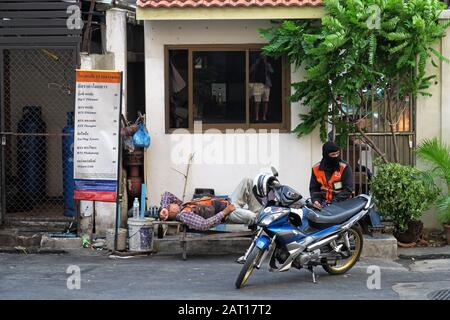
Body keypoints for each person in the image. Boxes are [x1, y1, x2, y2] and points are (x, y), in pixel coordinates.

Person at [159, 178, 263, 231]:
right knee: (252, 216)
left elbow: (167, 194)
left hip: (229, 202)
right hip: (228, 214)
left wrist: (164, 208)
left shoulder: (183, 206)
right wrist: (225, 212)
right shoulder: (185, 215)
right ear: (172, 212)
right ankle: (262, 218)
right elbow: (204, 225)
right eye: (170, 205)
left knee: (247, 181)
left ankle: (259, 213)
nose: (172, 202)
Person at [309, 141, 353, 209]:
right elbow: (314, 188)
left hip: (342, 204)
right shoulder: (316, 168)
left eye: (337, 153)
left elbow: (348, 189)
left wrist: (333, 203)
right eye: (333, 154)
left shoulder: (344, 167)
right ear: (326, 155)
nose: (336, 156)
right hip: (322, 203)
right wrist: (316, 201)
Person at [249, 54, 274, 122]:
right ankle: (257, 117)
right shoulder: (256, 64)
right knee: (257, 102)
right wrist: (257, 62)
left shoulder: (267, 64)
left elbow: (272, 71)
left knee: (266, 101)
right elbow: (250, 70)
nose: (263, 58)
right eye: (262, 56)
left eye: (264, 56)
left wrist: (266, 64)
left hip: (266, 84)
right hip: (257, 84)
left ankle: (264, 117)